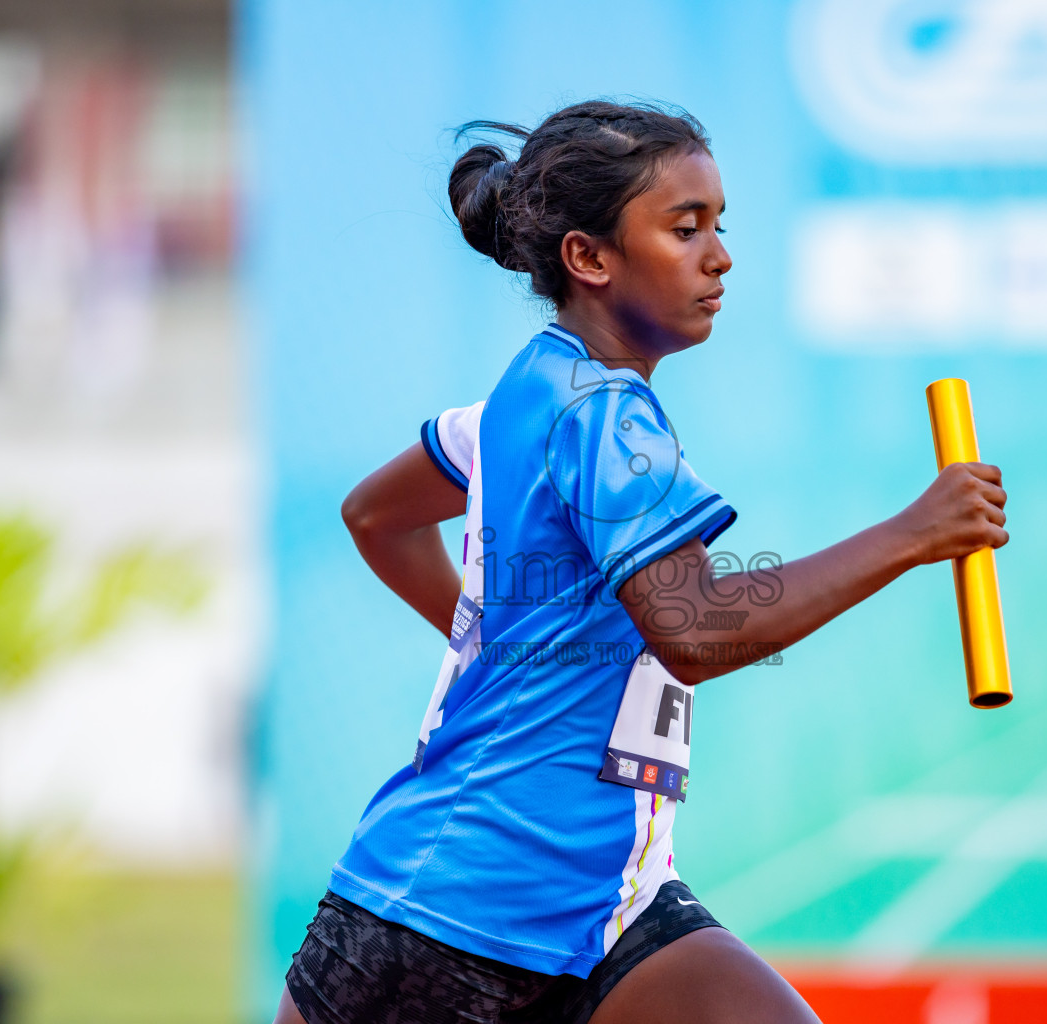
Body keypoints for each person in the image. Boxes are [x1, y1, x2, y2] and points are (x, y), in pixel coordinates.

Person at [273, 100, 1008, 1024]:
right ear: (589, 258)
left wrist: (509, 646)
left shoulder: (521, 396)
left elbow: (374, 516)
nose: (720, 255)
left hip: (601, 904)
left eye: (720, 226)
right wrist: (917, 533)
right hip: (454, 915)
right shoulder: (599, 413)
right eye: (684, 227)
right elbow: (694, 629)